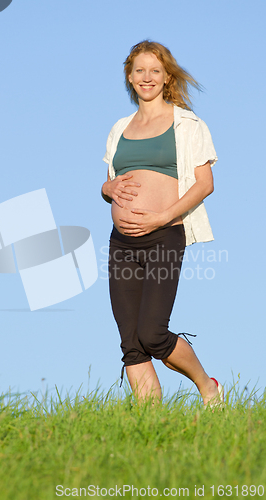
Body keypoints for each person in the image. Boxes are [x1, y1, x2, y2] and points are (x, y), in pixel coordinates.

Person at [101, 40, 224, 407]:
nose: (147, 77)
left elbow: (205, 184)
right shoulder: (120, 128)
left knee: (152, 333)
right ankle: (151, 429)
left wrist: (161, 216)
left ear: (167, 76)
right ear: (129, 75)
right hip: (121, 244)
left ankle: (208, 388)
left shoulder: (187, 124)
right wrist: (106, 188)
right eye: (139, 70)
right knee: (132, 344)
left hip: (164, 235)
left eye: (155, 70)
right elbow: (109, 183)